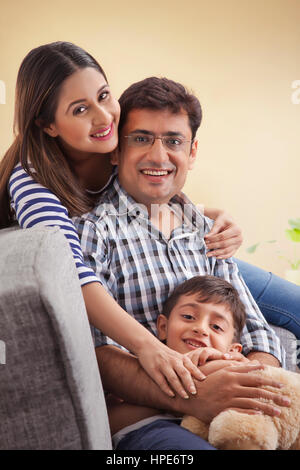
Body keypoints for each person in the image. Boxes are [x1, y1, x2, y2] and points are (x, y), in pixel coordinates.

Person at [73, 77, 291, 450]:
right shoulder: (95, 233)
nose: (159, 156)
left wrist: (247, 385)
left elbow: (257, 332)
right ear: (115, 151)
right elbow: (96, 355)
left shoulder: (207, 231)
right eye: (141, 139)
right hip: (151, 422)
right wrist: (197, 393)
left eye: (173, 141)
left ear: (191, 152)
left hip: (232, 413)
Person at [109, 274, 250, 450]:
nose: (201, 328)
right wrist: (185, 400)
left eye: (216, 327)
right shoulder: (139, 371)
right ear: (163, 327)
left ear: (232, 350)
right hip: (153, 432)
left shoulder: (234, 373)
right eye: (189, 317)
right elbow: (109, 422)